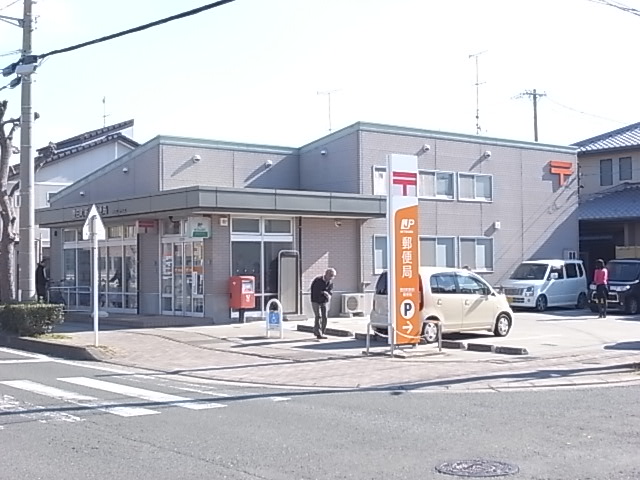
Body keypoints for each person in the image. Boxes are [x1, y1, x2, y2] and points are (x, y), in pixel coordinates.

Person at [310, 268, 336, 340]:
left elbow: (330, 291)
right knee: (318, 316)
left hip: (324, 301)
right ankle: (318, 333)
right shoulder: (318, 280)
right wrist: (323, 292)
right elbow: (315, 291)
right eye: (331, 275)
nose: (331, 277)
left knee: (325, 316)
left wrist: (328, 295)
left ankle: (322, 331)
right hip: (315, 300)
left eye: (333, 276)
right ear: (326, 274)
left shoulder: (330, 283)